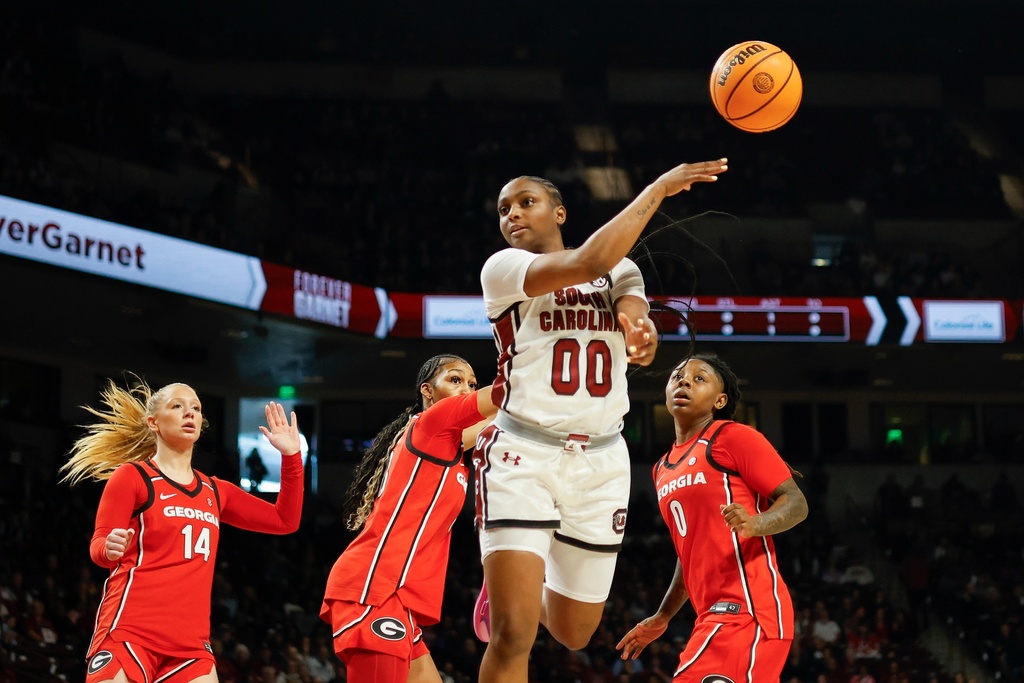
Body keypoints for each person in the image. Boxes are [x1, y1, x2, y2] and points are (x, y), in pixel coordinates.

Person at [473, 159, 729, 682]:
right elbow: (589, 260)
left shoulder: (623, 270)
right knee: (513, 634)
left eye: (527, 202)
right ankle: (506, 591)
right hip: (523, 452)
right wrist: (657, 189)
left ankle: (516, 583)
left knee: (574, 632)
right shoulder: (502, 268)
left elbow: (635, 319)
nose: (513, 214)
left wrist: (642, 337)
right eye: (504, 209)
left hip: (602, 460)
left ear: (559, 212)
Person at [60, 379, 304, 683]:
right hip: (129, 632)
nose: (190, 413)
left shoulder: (216, 491)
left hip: (190, 646)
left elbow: (285, 520)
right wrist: (108, 548)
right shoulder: (132, 477)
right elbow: (99, 548)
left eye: (196, 408)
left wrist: (291, 457)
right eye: (178, 406)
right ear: (153, 422)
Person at [616, 352, 808, 682]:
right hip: (712, 615)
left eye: (699, 378)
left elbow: (797, 503)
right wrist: (663, 616)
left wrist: (754, 523)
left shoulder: (733, 436)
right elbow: (688, 552)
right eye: (677, 376)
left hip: (749, 610)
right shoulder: (661, 468)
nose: (684, 381)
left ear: (720, 400)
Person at [320, 354, 497, 683]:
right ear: (428, 391)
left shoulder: (450, 446)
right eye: (455, 380)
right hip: (372, 590)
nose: (466, 389)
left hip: (396, 599)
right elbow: (506, 395)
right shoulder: (432, 424)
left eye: (471, 384)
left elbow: (506, 415)